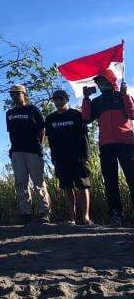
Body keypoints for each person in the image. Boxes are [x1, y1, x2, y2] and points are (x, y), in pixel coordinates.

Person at [82, 70, 134, 226]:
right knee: (110, 181)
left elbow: (132, 114)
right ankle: (115, 214)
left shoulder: (121, 96)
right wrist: (86, 99)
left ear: (111, 81)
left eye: (103, 81)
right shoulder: (97, 102)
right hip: (106, 145)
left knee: (133, 178)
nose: (100, 84)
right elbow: (86, 118)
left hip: (127, 143)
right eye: (98, 83)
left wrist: (125, 94)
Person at [46, 89, 91, 225]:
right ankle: (73, 218)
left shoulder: (76, 115)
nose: (59, 101)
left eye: (61, 99)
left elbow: (84, 137)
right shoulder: (50, 119)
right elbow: (51, 141)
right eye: (56, 99)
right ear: (53, 101)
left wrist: (85, 155)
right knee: (67, 187)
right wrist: (53, 157)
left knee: (83, 186)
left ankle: (86, 217)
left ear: (66, 99)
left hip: (78, 157)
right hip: (61, 158)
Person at [6, 84, 51, 224]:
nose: (14, 97)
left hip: (32, 149)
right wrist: (12, 149)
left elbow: (41, 129)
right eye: (12, 94)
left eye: (17, 94)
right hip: (17, 151)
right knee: (21, 183)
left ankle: (44, 212)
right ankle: (26, 213)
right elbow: (11, 133)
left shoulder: (32, 109)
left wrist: (39, 145)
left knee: (38, 181)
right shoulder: (10, 113)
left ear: (23, 94)